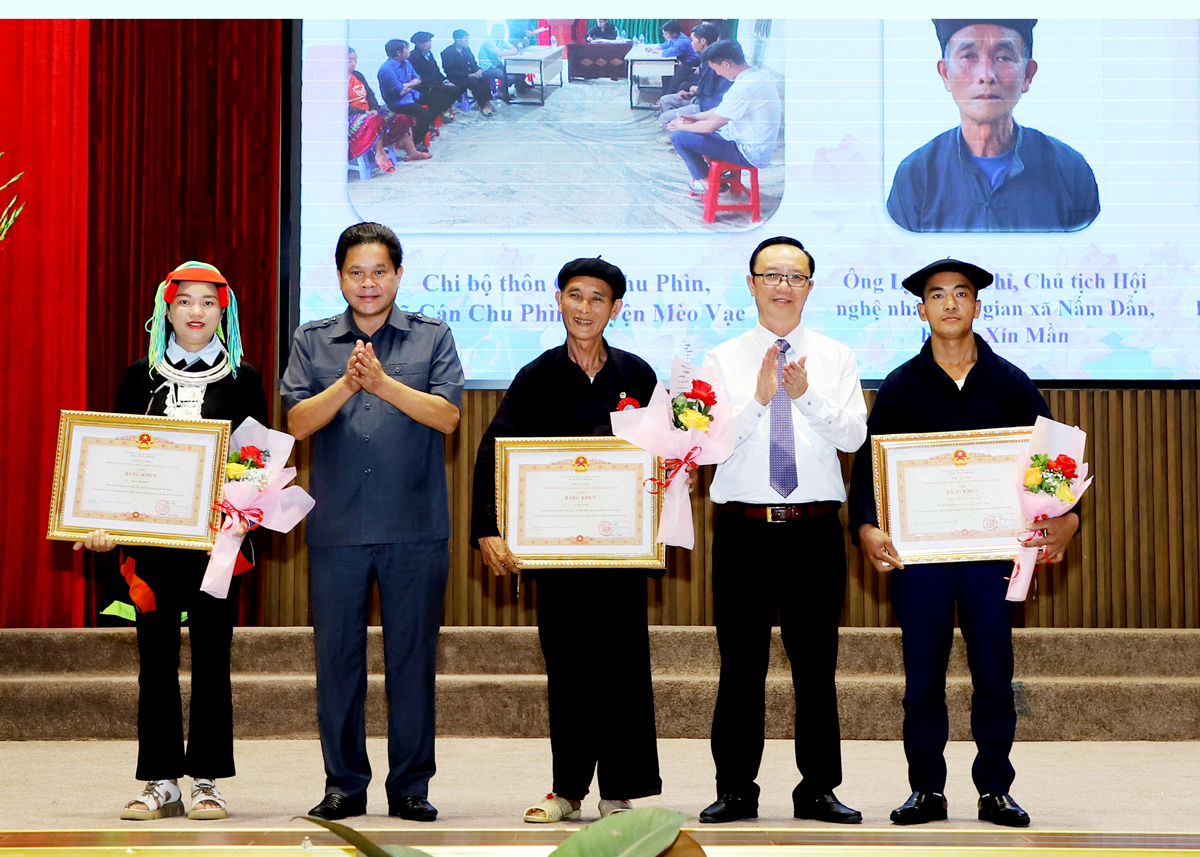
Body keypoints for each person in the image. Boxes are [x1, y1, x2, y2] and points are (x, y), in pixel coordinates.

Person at [848, 258, 1080, 828]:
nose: (949, 304)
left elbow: (1052, 466)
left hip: (991, 557)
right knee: (922, 677)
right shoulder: (900, 387)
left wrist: (1067, 523)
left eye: (961, 294)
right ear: (921, 309)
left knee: (994, 675)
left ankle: (995, 789)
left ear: (978, 306)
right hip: (921, 559)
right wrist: (867, 528)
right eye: (937, 295)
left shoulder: (1011, 383)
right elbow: (867, 474)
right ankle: (926, 789)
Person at [280, 222, 465, 822]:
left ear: (398, 276)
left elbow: (447, 418)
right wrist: (346, 383)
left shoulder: (432, 336)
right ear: (339, 278)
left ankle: (411, 786)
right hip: (336, 529)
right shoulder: (312, 340)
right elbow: (297, 423)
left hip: (415, 526)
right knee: (337, 662)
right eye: (356, 272)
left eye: (379, 271)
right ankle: (344, 784)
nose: (368, 283)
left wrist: (382, 384)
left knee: (413, 660)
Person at [469, 258, 662, 824]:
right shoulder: (536, 376)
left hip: (621, 551)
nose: (584, 307)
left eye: (597, 298)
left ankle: (620, 791)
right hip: (555, 552)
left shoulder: (638, 375)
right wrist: (488, 528)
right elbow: (492, 455)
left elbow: (663, 455)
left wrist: (677, 475)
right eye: (574, 295)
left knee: (624, 666)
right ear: (558, 301)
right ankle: (568, 789)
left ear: (615, 308)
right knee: (570, 668)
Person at [78, 262, 269, 822]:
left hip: (217, 548)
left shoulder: (244, 379)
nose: (196, 312)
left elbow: (255, 461)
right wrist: (102, 520)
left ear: (223, 311)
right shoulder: (140, 377)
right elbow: (116, 459)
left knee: (213, 659)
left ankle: (207, 779)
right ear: (167, 308)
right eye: (185, 301)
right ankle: (160, 780)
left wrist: (239, 506)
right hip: (152, 547)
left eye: (208, 302)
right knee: (154, 662)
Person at [698, 237, 866, 825]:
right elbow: (704, 448)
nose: (782, 286)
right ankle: (736, 789)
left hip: (814, 531)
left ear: (810, 288)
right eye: (771, 274)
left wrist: (805, 396)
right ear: (751, 283)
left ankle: (818, 788)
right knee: (739, 664)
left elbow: (852, 438)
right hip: (743, 531)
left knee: (816, 666)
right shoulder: (719, 360)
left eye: (795, 276)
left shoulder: (836, 357)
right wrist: (760, 399)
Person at [886, 19, 1099, 232]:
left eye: (1003, 57)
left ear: (1027, 74)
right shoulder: (915, 176)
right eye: (968, 56)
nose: (986, 75)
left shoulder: (1070, 171)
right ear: (945, 73)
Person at [668, 40, 781, 195]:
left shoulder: (745, 86)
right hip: (746, 141)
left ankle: (706, 182)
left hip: (747, 151)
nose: (718, 73)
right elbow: (722, 110)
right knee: (693, 131)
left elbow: (710, 126)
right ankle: (710, 176)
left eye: (716, 68)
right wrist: (694, 118)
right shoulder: (755, 76)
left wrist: (682, 126)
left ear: (726, 64)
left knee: (679, 137)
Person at [348, 47, 426, 172]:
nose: (353, 64)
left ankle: (412, 152)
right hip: (352, 117)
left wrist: (373, 108)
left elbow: (370, 95)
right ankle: (379, 154)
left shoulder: (357, 75)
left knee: (400, 119)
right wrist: (364, 113)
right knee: (374, 120)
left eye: (355, 60)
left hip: (369, 112)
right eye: (349, 61)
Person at [656, 25, 729, 138]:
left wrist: (693, 89)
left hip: (706, 105)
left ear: (703, 41)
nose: (691, 43)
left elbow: (707, 90)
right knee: (665, 100)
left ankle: (679, 141)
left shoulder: (713, 62)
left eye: (693, 40)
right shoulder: (707, 57)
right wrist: (691, 93)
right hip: (701, 98)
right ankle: (675, 134)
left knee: (664, 118)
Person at [377, 39, 439, 147]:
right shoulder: (387, 69)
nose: (409, 51)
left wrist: (407, 85)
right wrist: (410, 84)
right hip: (399, 102)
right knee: (425, 115)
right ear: (399, 53)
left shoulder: (406, 62)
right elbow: (400, 91)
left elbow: (418, 79)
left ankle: (428, 126)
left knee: (439, 98)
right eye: (407, 49)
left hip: (412, 94)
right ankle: (416, 142)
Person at [441, 30, 499, 117]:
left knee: (484, 77)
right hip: (457, 77)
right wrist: (468, 75)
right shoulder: (447, 53)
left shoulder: (466, 49)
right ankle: (482, 105)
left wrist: (479, 70)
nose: (468, 42)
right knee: (474, 82)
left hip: (469, 74)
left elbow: (473, 63)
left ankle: (486, 101)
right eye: (466, 40)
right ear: (458, 40)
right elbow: (449, 71)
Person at [408, 32, 462, 121]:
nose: (429, 44)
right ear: (418, 44)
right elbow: (420, 77)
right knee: (446, 92)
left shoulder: (429, 54)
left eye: (429, 41)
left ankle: (442, 110)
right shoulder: (413, 57)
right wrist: (439, 84)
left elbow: (436, 71)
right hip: (423, 86)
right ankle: (439, 112)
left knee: (455, 88)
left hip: (435, 83)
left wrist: (445, 80)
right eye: (426, 42)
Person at [477, 23, 532, 102]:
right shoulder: (488, 42)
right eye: (502, 32)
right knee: (510, 77)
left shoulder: (501, 41)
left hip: (498, 65)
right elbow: (500, 53)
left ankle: (520, 87)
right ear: (495, 32)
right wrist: (511, 52)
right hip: (488, 68)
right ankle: (501, 92)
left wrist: (510, 52)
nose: (504, 34)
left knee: (518, 70)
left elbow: (514, 49)